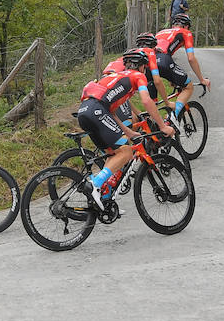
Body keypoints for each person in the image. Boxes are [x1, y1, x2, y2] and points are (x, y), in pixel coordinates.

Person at [75, 49, 176, 210]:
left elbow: (113, 112)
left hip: (84, 112)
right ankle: (95, 184)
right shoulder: (138, 76)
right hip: (96, 111)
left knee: (113, 153)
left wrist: (128, 132)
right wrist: (163, 126)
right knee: (126, 152)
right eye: (145, 68)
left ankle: (103, 197)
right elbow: (147, 101)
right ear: (142, 67)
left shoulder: (116, 78)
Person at [154, 13, 212, 120]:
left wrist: (173, 78)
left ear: (173, 25)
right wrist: (201, 79)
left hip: (148, 63)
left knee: (153, 104)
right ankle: (172, 118)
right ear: (186, 26)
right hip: (163, 60)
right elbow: (191, 58)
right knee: (188, 86)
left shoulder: (160, 32)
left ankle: (152, 127)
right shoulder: (186, 32)